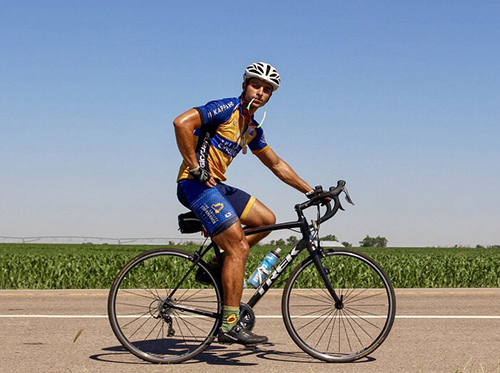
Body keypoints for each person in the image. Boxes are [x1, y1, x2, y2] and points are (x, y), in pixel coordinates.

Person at [173, 62, 314, 345]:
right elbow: (182, 123)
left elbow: (275, 163)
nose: (260, 92)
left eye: (267, 90)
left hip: (217, 186)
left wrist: (311, 192)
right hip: (195, 183)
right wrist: (194, 165)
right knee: (238, 246)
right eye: (256, 85)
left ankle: (216, 263)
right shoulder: (226, 109)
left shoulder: (251, 127)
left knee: (266, 220)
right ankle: (229, 324)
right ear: (244, 85)